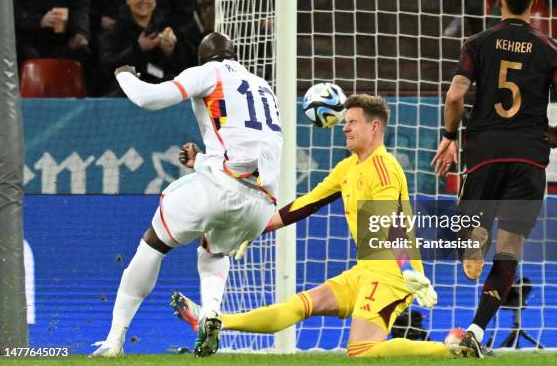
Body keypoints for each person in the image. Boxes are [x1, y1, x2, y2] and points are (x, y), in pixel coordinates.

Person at [172, 94, 456, 358]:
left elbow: (390, 223)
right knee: (301, 304)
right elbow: (306, 204)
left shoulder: (384, 167)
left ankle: (453, 349)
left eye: (353, 122)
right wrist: (257, 228)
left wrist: (406, 269)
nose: (345, 128)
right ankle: (213, 321)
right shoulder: (348, 168)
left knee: (361, 350)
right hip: (368, 268)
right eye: (345, 122)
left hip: (393, 272)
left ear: (375, 127)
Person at [91, 32, 283, 357]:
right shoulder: (264, 87)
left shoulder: (207, 72)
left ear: (202, 58)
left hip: (221, 188)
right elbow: (247, 147)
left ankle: (115, 339)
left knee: (155, 242)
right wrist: (204, 161)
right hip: (261, 202)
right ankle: (210, 312)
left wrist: (124, 75)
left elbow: (148, 99)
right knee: (213, 252)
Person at [431, 0, 557, 357]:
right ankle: (477, 329)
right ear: (533, 3)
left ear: (498, 0)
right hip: (530, 156)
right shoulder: (551, 48)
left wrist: (449, 137)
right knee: (510, 249)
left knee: (468, 225)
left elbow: (454, 97)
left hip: (485, 149)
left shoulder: (478, 42)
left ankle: (474, 237)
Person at [2, 0, 92, 72]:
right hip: (26, 37)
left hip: (61, 36)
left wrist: (81, 32)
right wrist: (39, 20)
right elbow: (8, 7)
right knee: (28, 56)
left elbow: (80, 5)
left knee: (83, 52)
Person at [99, 0, 179, 97]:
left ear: (155, 0)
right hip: (123, 97)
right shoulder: (114, 31)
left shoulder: (165, 29)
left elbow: (173, 71)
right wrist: (138, 48)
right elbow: (107, 68)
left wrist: (169, 53)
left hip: (158, 94)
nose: (144, 1)